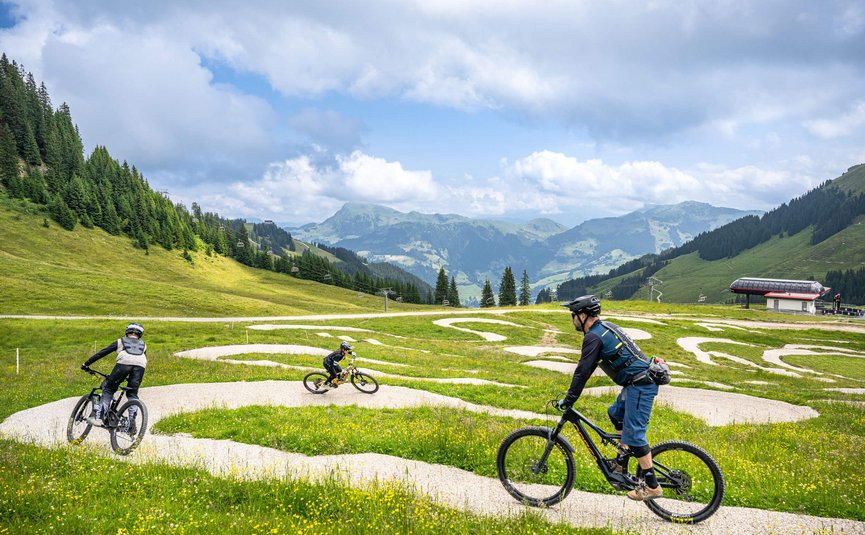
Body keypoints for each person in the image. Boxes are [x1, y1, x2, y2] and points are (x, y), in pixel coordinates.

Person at [556, 295, 667, 501]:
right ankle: (621, 461)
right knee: (615, 413)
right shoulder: (606, 327)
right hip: (635, 382)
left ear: (582, 315)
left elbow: (582, 372)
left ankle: (652, 486)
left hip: (640, 385)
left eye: (572, 315)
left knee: (634, 435)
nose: (571, 319)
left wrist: (569, 400)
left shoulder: (593, 337)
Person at [82, 322, 147, 430]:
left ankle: (99, 418)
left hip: (123, 364)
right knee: (132, 393)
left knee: (108, 390)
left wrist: (86, 364)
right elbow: (138, 361)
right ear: (140, 334)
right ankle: (132, 422)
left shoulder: (121, 341)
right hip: (140, 366)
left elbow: (102, 353)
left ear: (127, 332)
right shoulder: (143, 345)